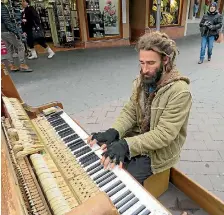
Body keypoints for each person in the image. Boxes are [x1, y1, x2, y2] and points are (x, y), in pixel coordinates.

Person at [88, 32, 192, 185]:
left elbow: (164, 135)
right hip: (138, 139)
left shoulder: (180, 91)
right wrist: (114, 131)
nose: (144, 69)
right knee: (103, 160)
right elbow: (131, 110)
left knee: (123, 182)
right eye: (141, 62)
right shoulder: (141, 81)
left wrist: (126, 145)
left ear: (165, 60)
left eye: (150, 63)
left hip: (159, 153)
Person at [1, 0, 32, 72]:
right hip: (8, 31)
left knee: (9, 48)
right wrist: (16, 32)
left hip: (2, 31)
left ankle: (11, 65)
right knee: (21, 46)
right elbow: (7, 21)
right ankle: (22, 65)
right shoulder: (2, 7)